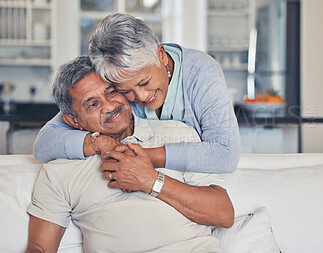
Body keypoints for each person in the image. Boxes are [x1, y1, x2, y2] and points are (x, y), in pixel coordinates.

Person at [26, 56, 234, 253]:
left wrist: (149, 180)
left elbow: (223, 215)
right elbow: (41, 248)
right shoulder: (60, 170)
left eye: (111, 92)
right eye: (92, 104)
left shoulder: (178, 134)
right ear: (74, 121)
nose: (109, 106)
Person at [33, 13, 240, 174]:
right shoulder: (111, 83)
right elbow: (45, 143)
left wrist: (141, 158)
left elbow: (225, 154)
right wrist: (98, 143)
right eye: (125, 91)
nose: (140, 97)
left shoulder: (202, 72)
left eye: (144, 82)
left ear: (160, 55)